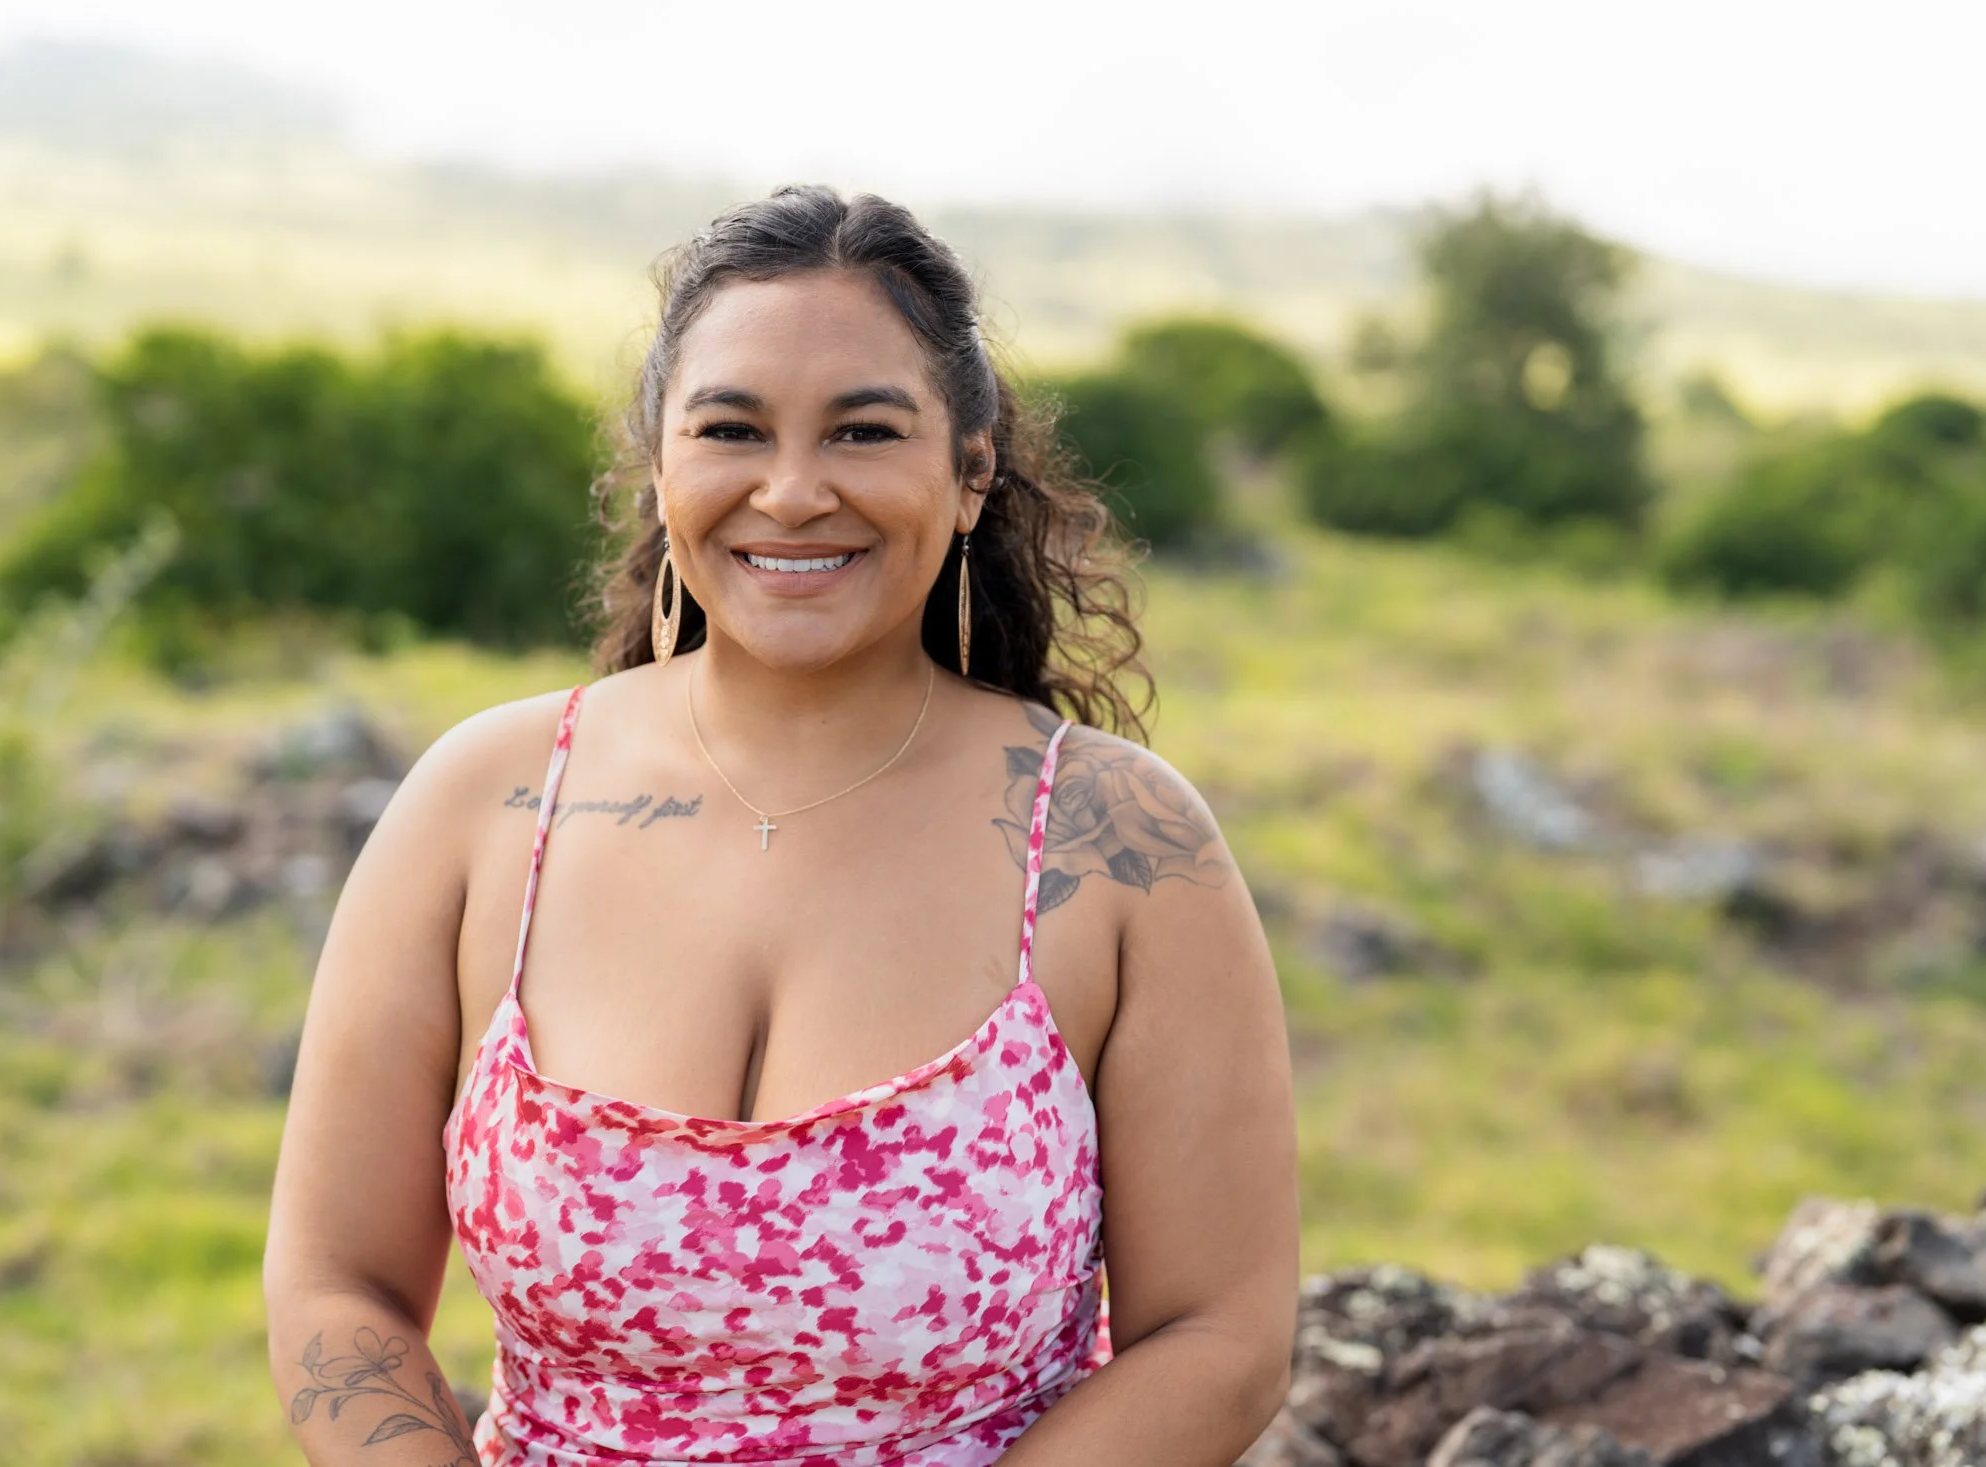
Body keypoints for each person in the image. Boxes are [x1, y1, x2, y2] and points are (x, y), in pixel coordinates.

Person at [263, 184, 1299, 1466]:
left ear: (969, 474)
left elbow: (1219, 1331)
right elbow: (337, 1285)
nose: (794, 492)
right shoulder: (485, 804)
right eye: (732, 430)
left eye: (863, 432)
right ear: (661, 468)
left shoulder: (1120, 846)